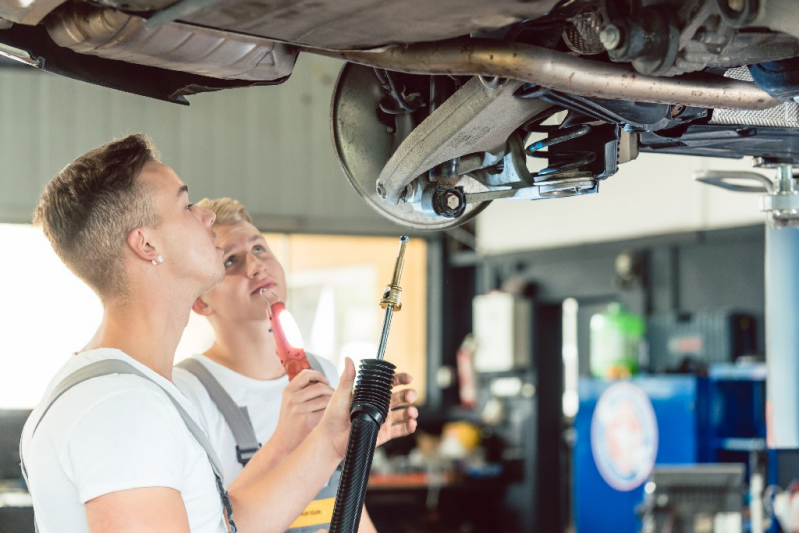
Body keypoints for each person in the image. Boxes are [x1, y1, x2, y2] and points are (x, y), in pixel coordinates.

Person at [19, 133, 417, 533]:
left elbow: (225, 526)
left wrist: (331, 443)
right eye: (186, 205)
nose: (206, 216)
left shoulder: (136, 393)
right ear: (146, 243)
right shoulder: (123, 408)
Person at [172, 197, 418, 533]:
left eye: (260, 249)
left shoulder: (322, 372)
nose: (256, 266)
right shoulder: (186, 393)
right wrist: (285, 442)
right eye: (231, 260)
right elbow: (204, 524)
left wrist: (359, 437)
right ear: (200, 301)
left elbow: (344, 501)